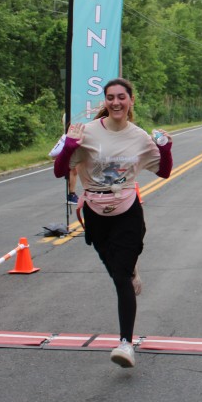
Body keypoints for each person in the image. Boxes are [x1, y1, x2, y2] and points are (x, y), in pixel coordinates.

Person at [54, 78, 172, 369]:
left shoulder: (140, 137)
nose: (116, 102)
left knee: (120, 276)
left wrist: (166, 148)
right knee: (117, 271)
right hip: (95, 212)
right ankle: (131, 269)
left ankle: (126, 344)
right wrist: (69, 146)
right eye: (110, 97)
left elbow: (164, 172)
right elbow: (59, 171)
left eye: (121, 97)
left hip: (127, 209)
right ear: (105, 101)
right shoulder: (86, 132)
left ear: (131, 101)